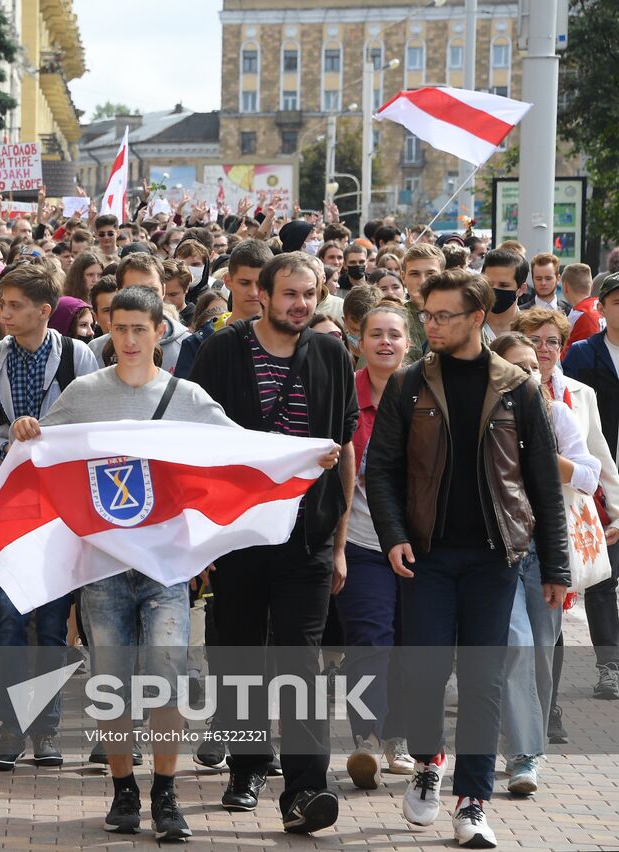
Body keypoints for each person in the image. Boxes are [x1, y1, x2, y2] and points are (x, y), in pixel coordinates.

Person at [12, 286, 237, 839]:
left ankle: (165, 793)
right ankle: (122, 790)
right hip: (104, 566)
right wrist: (26, 432)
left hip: (166, 567)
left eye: (141, 328)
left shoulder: (187, 396)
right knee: (112, 681)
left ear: (162, 331)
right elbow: (47, 448)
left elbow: (239, 451)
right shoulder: (85, 393)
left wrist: (299, 455)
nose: (130, 340)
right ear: (108, 332)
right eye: (120, 329)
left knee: (165, 677)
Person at [366, 268, 567, 850]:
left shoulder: (517, 387)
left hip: (493, 558)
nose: (431, 325)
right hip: (425, 556)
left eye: (443, 316)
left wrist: (555, 567)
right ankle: (429, 759)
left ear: (477, 318)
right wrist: (394, 534)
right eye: (425, 315)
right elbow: (381, 470)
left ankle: (473, 800)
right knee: (425, 672)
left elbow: (542, 486)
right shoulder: (408, 385)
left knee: (482, 680)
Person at [188, 250, 356, 835]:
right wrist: (201, 540)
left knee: (301, 661)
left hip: (307, 536)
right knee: (238, 653)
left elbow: (345, 448)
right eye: (289, 294)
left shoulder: (333, 354)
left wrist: (337, 542)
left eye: (309, 295)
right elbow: (197, 446)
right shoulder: (223, 351)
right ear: (261, 293)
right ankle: (247, 767)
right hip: (238, 533)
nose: (300, 305)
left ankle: (306, 789)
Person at [0, 262, 98, 771]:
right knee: (7, 616)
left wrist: (53, 439)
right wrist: (5, 439)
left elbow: (99, 426)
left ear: (44, 312)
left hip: (59, 507)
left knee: (51, 622)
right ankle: (11, 729)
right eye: (2, 304)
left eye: (14, 306)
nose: (3, 313)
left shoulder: (79, 355)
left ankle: (45, 730)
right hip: (3, 500)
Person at [489, 331, 597, 796]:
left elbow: (589, 475)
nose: (530, 375)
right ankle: (522, 754)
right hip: (498, 552)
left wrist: (541, 455)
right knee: (515, 645)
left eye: (534, 367)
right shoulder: (484, 418)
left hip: (546, 552)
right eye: (518, 368)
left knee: (541, 652)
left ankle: (525, 741)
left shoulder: (556, 414)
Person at [335, 302, 413, 789]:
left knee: (413, 644)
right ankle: (367, 737)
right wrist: (336, 545)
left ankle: (399, 738)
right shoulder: (344, 395)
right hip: (361, 540)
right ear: (359, 341)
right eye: (376, 334)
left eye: (395, 335)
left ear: (409, 343)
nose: (385, 342)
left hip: (420, 544)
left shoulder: (425, 393)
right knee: (369, 643)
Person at [561, 275, 619, 701]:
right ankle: (609, 666)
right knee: (604, 579)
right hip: (598, 480)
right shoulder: (582, 354)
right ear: (604, 307)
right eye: (616, 301)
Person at [175, 238, 271, 376]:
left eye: (261, 283)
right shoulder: (197, 344)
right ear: (228, 281)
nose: (254, 292)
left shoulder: (288, 340)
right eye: (245, 283)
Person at [480, 249, 527, 345]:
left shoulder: (532, 330)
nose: (493, 290)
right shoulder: (468, 327)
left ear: (521, 289)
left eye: (503, 285)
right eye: (489, 283)